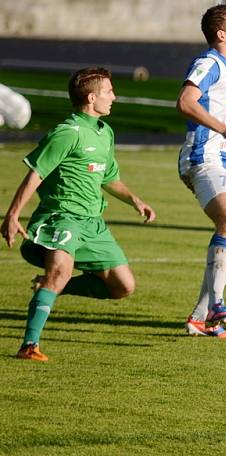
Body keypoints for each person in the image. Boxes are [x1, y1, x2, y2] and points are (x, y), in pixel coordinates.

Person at [1, 68, 156, 361]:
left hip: (93, 224)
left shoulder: (104, 132)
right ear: (91, 97)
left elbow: (108, 177)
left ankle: (55, 286)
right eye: (109, 91)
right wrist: (12, 216)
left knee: (123, 287)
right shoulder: (66, 133)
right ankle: (29, 345)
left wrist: (134, 199)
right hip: (63, 217)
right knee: (59, 272)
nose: (114, 97)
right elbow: (35, 174)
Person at [177, 4, 226, 339]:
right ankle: (217, 304)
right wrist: (223, 128)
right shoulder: (209, 63)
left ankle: (199, 318)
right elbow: (186, 102)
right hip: (204, 157)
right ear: (222, 34)